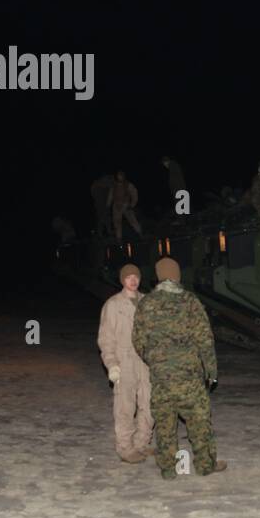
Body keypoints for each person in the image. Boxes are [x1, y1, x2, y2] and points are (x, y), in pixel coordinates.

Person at [132, 257, 224, 479]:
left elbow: (138, 339)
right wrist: (211, 371)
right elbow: (205, 339)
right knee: (199, 421)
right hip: (189, 376)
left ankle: (168, 469)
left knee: (164, 423)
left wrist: (154, 360)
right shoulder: (190, 302)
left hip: (161, 376)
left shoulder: (146, 303)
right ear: (177, 275)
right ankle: (205, 465)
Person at [97, 263, 154, 464]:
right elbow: (105, 338)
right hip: (124, 360)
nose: (133, 280)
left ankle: (141, 443)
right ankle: (125, 447)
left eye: (136, 277)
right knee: (125, 406)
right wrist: (111, 363)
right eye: (128, 277)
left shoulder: (148, 302)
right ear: (122, 280)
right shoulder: (113, 305)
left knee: (149, 403)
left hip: (146, 361)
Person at [106, 170, 143, 243]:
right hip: (116, 206)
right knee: (117, 223)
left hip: (126, 205)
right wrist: (108, 205)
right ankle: (119, 238)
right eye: (118, 175)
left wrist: (132, 204)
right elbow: (110, 196)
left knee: (133, 220)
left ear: (123, 176)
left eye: (121, 175)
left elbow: (134, 194)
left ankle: (140, 234)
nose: (119, 177)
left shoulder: (128, 184)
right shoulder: (114, 186)